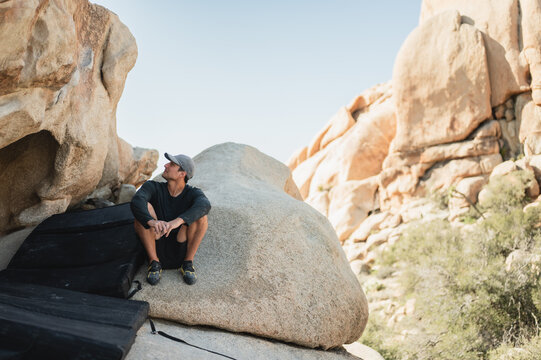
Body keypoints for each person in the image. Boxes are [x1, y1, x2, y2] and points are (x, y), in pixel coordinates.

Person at [130, 153, 210, 286]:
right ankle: (154, 263)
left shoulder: (193, 193)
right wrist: (152, 222)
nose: (165, 165)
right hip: (156, 242)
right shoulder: (153, 187)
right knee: (143, 210)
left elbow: (205, 205)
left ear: (182, 174)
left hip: (180, 245)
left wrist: (177, 222)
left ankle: (188, 263)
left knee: (201, 216)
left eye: (172, 165)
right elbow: (137, 200)